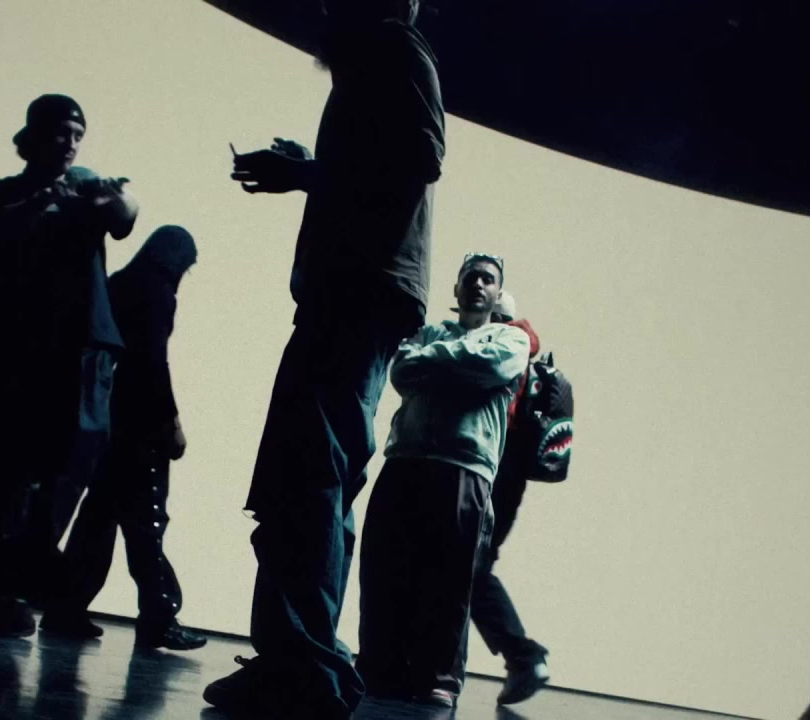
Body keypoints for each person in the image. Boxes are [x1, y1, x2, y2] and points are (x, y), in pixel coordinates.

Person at [202, 0, 445, 716]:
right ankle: (304, 658)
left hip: (357, 292)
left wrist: (309, 174)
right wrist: (310, 170)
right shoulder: (386, 54)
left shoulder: (394, 46)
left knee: (305, 473)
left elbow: (420, 156)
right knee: (313, 476)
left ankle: (302, 664)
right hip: (357, 293)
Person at [0, 93, 139, 637]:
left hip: (79, 347)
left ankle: (4, 587)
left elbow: (125, 217)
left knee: (61, 469)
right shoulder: (3, 192)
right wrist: (50, 198)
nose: (71, 143)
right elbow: (3, 224)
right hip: (18, 346)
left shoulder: (87, 186)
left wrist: (112, 196)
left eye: (78, 134)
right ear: (33, 137)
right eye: (61, 132)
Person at [356, 253, 530, 709]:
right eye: (470, 277)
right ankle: (380, 670)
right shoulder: (428, 332)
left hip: (464, 468)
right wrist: (459, 367)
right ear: (456, 289)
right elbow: (403, 370)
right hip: (406, 460)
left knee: (449, 580)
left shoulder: (511, 340)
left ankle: (439, 678)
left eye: (487, 279)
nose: (478, 284)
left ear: (498, 293)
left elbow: (491, 366)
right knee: (385, 570)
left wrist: (434, 365)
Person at [41, 225, 208, 652]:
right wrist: (171, 422)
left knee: (98, 518)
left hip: (110, 418)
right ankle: (159, 617)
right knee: (147, 521)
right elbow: (152, 362)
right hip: (142, 424)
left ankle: (65, 606)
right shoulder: (158, 293)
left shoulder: (121, 283)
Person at [465, 290, 553, 706]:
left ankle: (524, 657)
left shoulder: (504, 351)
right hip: (511, 480)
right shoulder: (528, 358)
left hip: (492, 474)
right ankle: (521, 659)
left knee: (469, 569)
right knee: (470, 568)